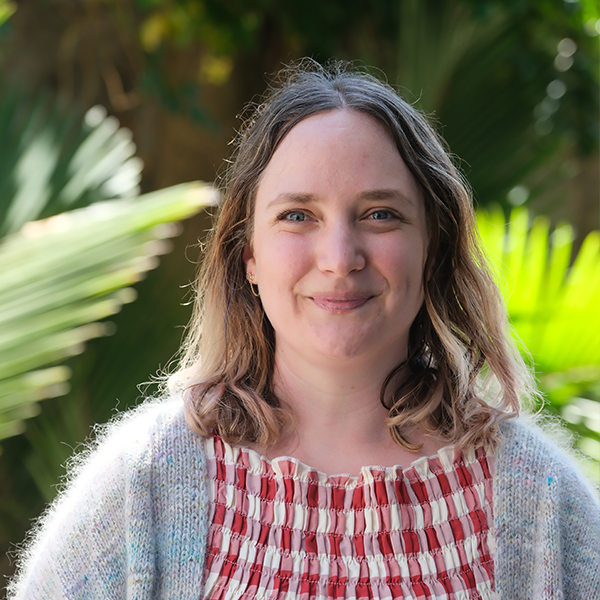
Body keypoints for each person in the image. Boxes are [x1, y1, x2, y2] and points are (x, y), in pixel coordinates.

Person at [7, 61, 599, 600]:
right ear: (248, 256)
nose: (339, 258)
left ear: (433, 249)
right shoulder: (145, 485)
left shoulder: (539, 502)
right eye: (297, 216)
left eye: (381, 214)